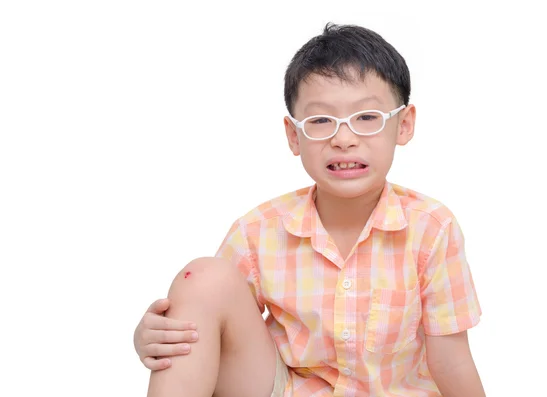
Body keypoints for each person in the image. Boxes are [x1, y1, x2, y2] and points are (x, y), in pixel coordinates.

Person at [134, 23, 485, 397]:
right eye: (320, 121)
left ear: (404, 125)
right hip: (288, 390)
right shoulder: (259, 232)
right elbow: (210, 324)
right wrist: (149, 339)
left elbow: (451, 360)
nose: (344, 139)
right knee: (202, 277)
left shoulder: (431, 229)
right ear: (293, 135)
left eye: (367, 118)